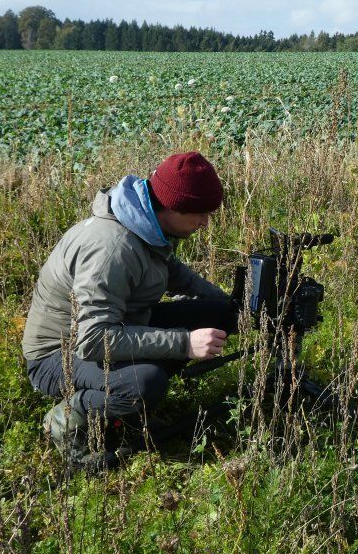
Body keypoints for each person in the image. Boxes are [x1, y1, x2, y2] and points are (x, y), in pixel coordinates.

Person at [22, 151, 238, 469]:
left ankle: (129, 408)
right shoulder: (111, 250)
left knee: (219, 314)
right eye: (200, 214)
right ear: (172, 206)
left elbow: (177, 275)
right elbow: (93, 340)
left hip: (120, 325)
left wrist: (229, 305)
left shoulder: (147, 225)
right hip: (59, 354)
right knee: (145, 383)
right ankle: (66, 420)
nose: (205, 223)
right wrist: (184, 343)